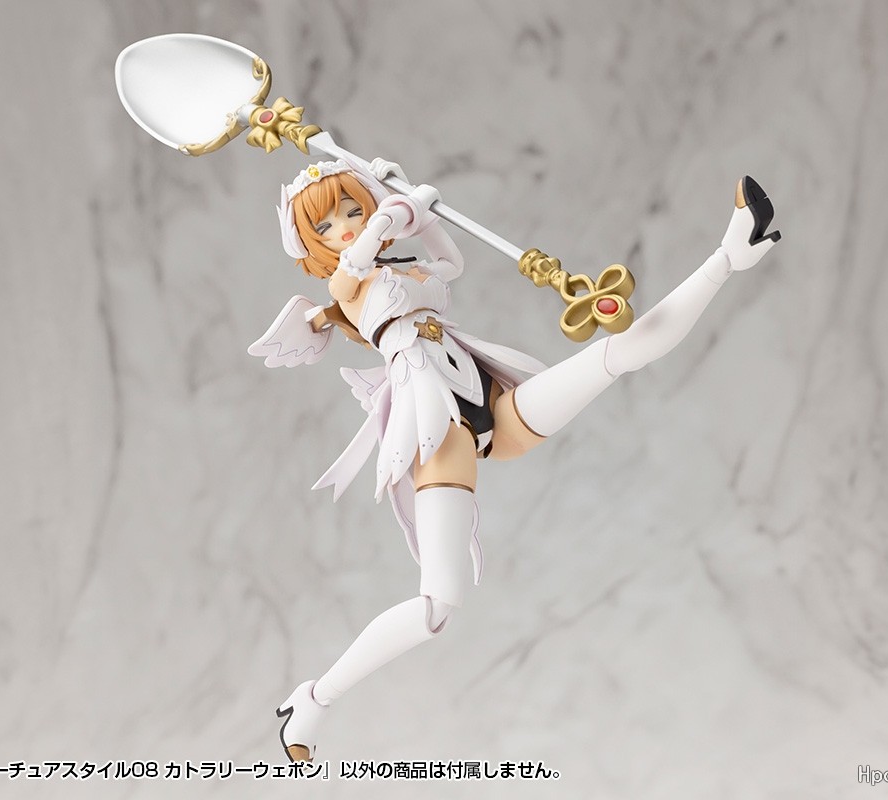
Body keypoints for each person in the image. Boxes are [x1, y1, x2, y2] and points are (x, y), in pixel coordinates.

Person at [249, 158, 780, 762]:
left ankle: (728, 256)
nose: (346, 226)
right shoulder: (346, 287)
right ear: (314, 245)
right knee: (436, 607)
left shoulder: (403, 266)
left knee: (619, 353)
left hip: (485, 396)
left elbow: (450, 261)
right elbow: (361, 255)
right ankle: (313, 699)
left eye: (352, 209)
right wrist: (392, 208)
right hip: (433, 424)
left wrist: (415, 204)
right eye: (327, 225)